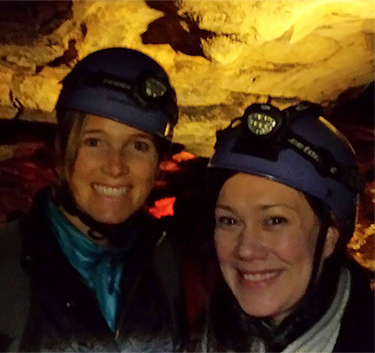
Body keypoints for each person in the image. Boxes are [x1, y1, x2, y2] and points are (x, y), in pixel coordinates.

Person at [0, 47, 188, 351]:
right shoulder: (7, 265)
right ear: (62, 150)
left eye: (138, 146)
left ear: (157, 163)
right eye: (94, 142)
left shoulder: (161, 261)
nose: (115, 166)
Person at [190, 102, 374, 352]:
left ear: (329, 238)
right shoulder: (198, 336)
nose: (246, 249)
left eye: (275, 221)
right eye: (229, 221)